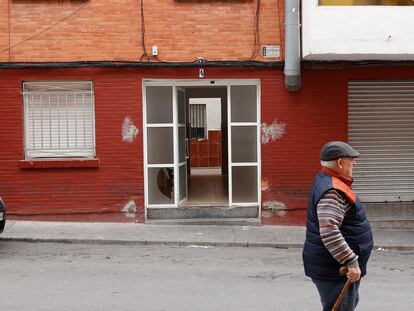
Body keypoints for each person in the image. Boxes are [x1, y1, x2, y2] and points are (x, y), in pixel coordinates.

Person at [303, 141, 374, 311]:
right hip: (335, 269)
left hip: (331, 266)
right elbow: (329, 232)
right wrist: (351, 261)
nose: (355, 163)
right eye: (351, 159)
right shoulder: (332, 191)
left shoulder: (326, 180)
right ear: (340, 163)